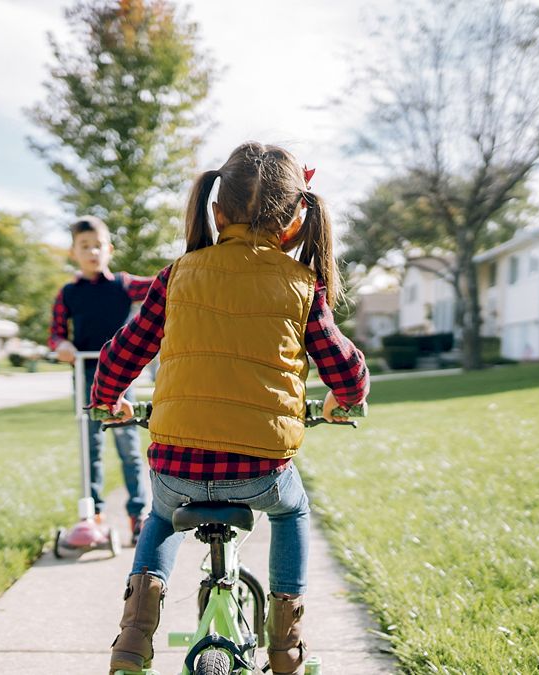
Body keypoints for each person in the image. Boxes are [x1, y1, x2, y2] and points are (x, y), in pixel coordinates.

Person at [90, 142, 369, 675]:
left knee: (160, 516)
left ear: (216, 213)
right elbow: (343, 366)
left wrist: (110, 400)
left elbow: (122, 352)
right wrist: (343, 400)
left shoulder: (177, 276)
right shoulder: (303, 286)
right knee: (293, 511)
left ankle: (133, 635)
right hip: (260, 472)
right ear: (295, 222)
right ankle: (285, 645)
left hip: (176, 464)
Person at [50, 216, 154, 543]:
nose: (92, 251)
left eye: (98, 245)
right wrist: (61, 345)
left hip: (121, 375)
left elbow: (159, 286)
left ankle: (138, 514)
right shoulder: (68, 293)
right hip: (85, 375)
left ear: (108, 249)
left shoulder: (124, 285)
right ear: (74, 253)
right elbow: (55, 334)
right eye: (85, 246)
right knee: (90, 447)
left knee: (129, 449)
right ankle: (92, 514)